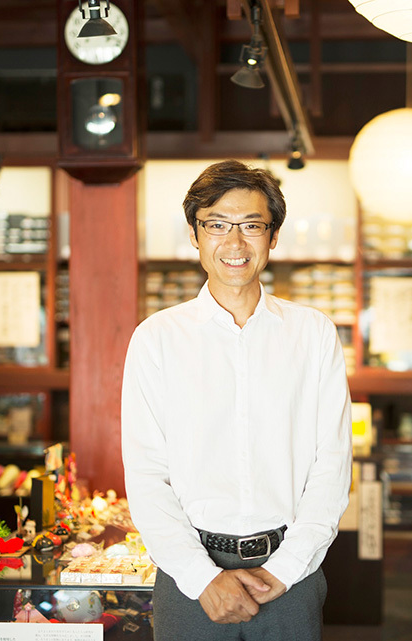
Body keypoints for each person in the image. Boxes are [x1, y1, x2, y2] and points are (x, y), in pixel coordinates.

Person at [121, 159, 353, 640]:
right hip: (190, 577)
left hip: (292, 572)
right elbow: (145, 474)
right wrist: (202, 576)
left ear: (273, 237)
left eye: (251, 226)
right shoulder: (157, 339)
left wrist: (288, 567)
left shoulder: (313, 334)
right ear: (195, 234)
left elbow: (332, 464)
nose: (234, 242)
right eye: (217, 225)